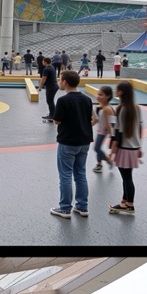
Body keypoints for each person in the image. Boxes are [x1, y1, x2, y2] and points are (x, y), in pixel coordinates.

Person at [48, 69, 94, 218]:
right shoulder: (87, 99)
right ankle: (82, 206)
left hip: (67, 141)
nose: (59, 81)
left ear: (65, 82)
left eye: (60, 79)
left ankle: (65, 208)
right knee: (80, 173)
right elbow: (90, 119)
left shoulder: (63, 100)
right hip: (84, 141)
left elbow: (57, 120)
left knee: (65, 175)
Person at [107, 80, 143, 215]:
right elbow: (140, 128)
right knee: (127, 177)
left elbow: (118, 133)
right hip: (134, 147)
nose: (115, 91)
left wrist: (112, 152)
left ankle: (130, 205)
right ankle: (124, 202)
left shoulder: (121, 109)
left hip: (124, 148)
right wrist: (139, 146)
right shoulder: (136, 108)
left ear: (121, 92)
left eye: (117, 89)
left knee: (127, 178)